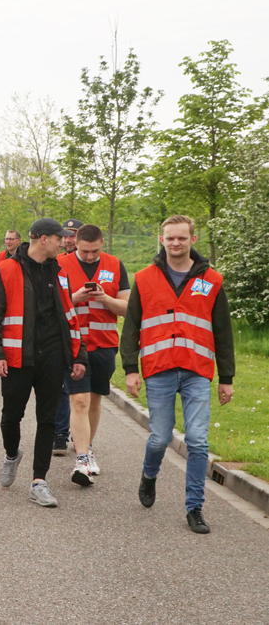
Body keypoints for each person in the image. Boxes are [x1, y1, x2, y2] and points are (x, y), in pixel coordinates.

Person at [122, 215, 234, 534]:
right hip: (158, 369)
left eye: (181, 238)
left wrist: (226, 377)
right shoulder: (144, 278)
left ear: (192, 240)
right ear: (162, 239)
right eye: (170, 238)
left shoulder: (212, 280)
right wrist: (131, 370)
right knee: (160, 437)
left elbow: (223, 333)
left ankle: (194, 508)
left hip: (197, 370)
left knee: (198, 441)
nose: (175, 243)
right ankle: (149, 474)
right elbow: (130, 328)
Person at [0, 218, 87, 509]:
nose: (64, 242)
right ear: (43, 239)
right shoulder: (7, 269)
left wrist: (78, 356)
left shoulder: (60, 272)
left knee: (48, 420)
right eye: (59, 238)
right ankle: (12, 454)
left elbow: (70, 317)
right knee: (10, 417)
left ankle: (39, 481)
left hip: (52, 356)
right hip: (17, 358)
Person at [58, 224, 130, 486]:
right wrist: (74, 298)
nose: (89, 256)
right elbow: (51, 303)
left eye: (95, 251)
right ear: (75, 242)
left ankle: (87, 448)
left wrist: (105, 299)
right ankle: (81, 459)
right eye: (84, 251)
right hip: (73, 345)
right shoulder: (60, 264)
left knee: (95, 400)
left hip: (104, 344)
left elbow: (126, 307)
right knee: (78, 400)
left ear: (103, 244)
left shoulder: (115, 265)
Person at [53, 218, 83, 454]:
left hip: (92, 336)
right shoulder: (56, 263)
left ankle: (84, 437)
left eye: (73, 235)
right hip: (62, 333)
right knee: (62, 386)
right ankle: (61, 433)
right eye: (66, 235)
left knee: (85, 394)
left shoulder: (95, 261)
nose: (69, 240)